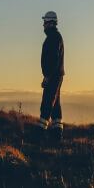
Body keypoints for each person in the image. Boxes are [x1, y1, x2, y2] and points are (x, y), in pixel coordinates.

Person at [37, 11, 65, 141]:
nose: (43, 25)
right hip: (56, 75)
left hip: (53, 76)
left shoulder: (53, 38)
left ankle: (40, 134)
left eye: (45, 22)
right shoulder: (55, 37)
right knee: (55, 105)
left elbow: (53, 59)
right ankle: (56, 135)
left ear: (51, 23)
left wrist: (47, 76)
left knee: (47, 103)